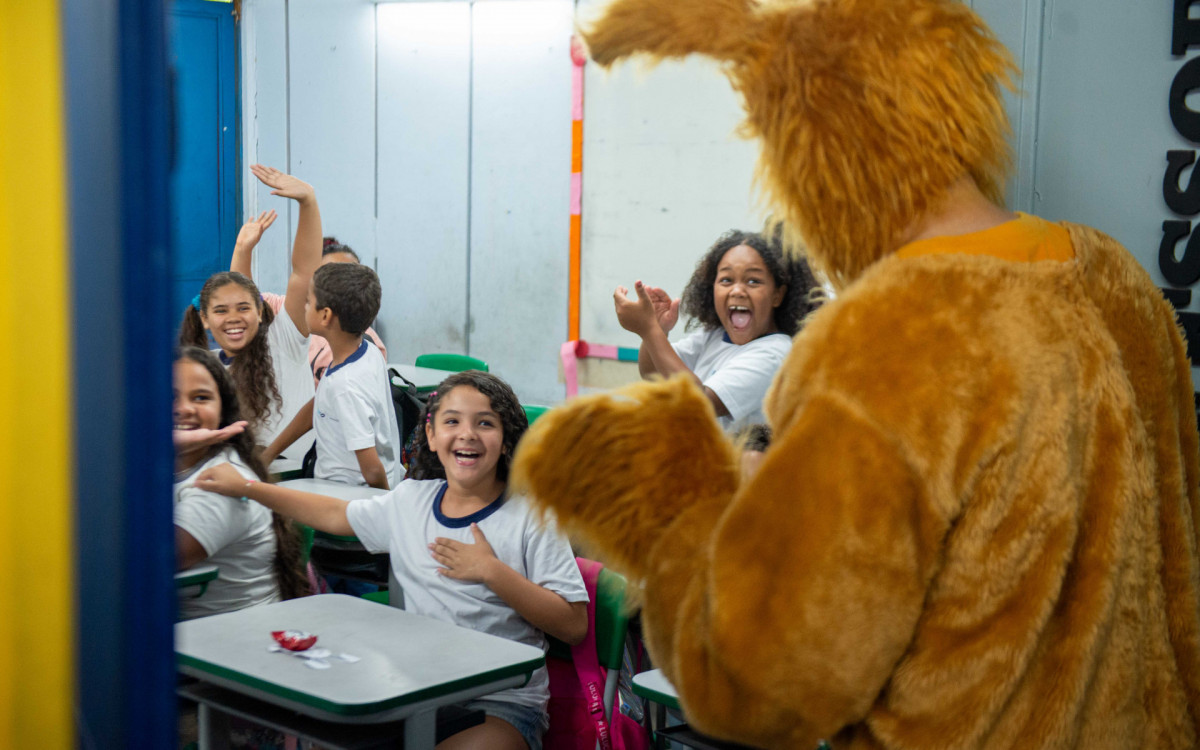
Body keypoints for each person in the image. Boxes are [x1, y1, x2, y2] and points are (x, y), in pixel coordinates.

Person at [507, 0, 1200, 748]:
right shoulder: (1112, 274)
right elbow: (1174, 548)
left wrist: (661, 498)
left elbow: (766, 685)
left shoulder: (882, 332)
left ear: (819, 153)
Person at [195, 371, 588, 750]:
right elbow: (334, 515)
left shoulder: (532, 516)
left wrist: (492, 571)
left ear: (505, 441)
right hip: (413, 688)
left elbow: (572, 625)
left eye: (485, 423)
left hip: (500, 703)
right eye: (452, 421)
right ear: (431, 435)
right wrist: (250, 487)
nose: (467, 433)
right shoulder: (411, 500)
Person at [614, 229, 819, 431]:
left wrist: (650, 329)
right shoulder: (713, 336)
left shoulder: (774, 353)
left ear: (778, 295)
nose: (737, 290)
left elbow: (699, 403)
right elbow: (652, 373)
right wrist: (657, 330)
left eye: (753, 281)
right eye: (726, 280)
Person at [179, 164, 322, 452]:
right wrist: (242, 248)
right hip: (238, 479)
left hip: (298, 480)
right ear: (204, 319)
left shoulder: (284, 339)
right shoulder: (207, 367)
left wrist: (308, 201)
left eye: (244, 308)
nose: (233, 319)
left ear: (259, 311)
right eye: (220, 311)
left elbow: (303, 273)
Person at [173, 346, 307, 621]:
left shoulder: (221, 483)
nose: (184, 408)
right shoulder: (160, 466)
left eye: (201, 398)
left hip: (224, 646)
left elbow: (139, 562)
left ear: (223, 411)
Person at [262, 262, 402, 490]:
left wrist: (386, 512)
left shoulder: (345, 384)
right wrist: (269, 454)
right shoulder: (366, 351)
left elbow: (372, 470)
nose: (304, 307)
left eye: (309, 302)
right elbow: (320, 404)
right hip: (347, 492)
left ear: (325, 315)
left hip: (349, 500)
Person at [231, 228, 388, 383]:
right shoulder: (286, 309)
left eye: (351, 275)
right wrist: (242, 249)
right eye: (332, 274)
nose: (343, 283)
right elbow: (244, 299)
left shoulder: (368, 348)